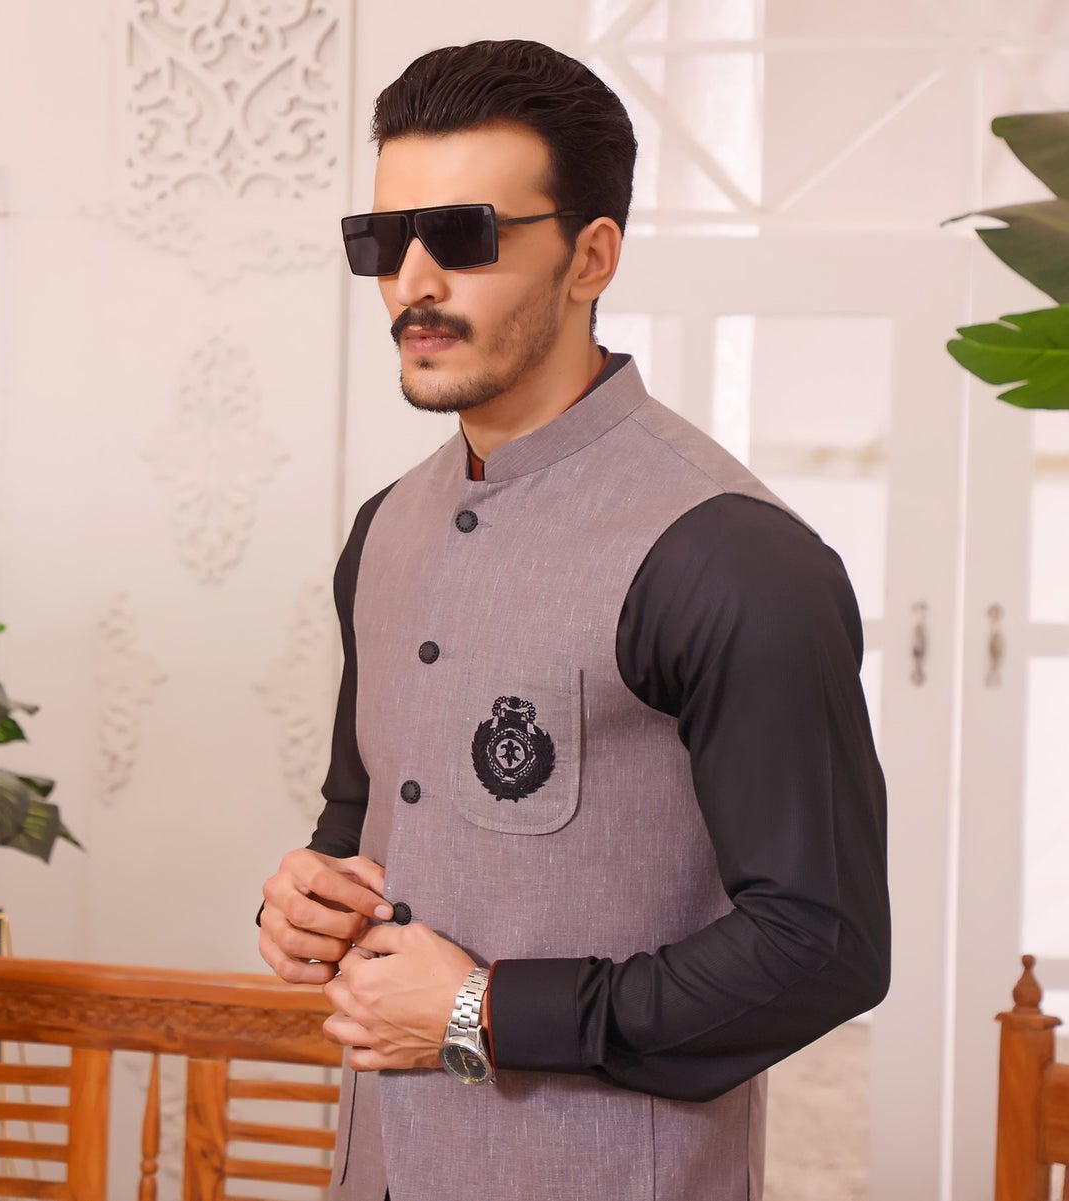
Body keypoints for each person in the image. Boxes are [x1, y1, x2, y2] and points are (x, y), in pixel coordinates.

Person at [256, 39, 891, 1201]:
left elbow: (822, 946)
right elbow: (362, 818)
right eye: (383, 240)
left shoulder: (730, 555)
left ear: (591, 255)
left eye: (461, 235)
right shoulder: (384, 529)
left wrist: (480, 1010)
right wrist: (308, 898)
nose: (412, 282)